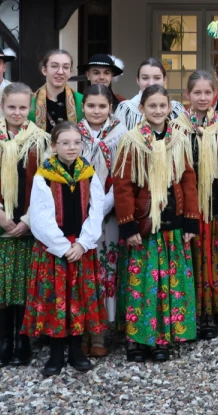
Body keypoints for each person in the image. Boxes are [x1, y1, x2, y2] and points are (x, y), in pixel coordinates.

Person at [0, 81, 51, 368]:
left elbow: (48, 184)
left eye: (22, 107)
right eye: (12, 107)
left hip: (29, 228)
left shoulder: (41, 140)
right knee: (1, 290)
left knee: (23, 288)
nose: (17, 112)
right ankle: (4, 342)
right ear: (2, 106)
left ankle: (23, 342)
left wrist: (27, 220)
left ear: (30, 108)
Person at [113, 84, 199, 361]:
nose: (158, 110)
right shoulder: (132, 140)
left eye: (163, 106)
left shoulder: (179, 139)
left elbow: (189, 181)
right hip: (145, 227)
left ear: (170, 108)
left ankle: (162, 338)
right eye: (152, 106)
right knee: (142, 284)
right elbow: (122, 186)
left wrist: (191, 222)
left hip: (173, 224)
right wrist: (128, 225)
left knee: (169, 284)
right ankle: (137, 340)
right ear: (142, 108)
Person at [23, 122, 109, 377]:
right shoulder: (44, 175)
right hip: (55, 250)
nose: (72, 147)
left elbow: (97, 209)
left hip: (81, 246)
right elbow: (40, 216)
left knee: (79, 298)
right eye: (65, 143)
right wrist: (62, 247)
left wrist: (83, 243)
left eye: (76, 143)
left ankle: (76, 350)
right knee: (56, 299)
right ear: (53, 146)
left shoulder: (88, 173)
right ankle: (56, 353)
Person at [172, 70, 218, 338]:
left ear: (213, 94)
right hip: (192, 202)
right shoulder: (177, 127)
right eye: (197, 93)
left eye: (207, 92)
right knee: (196, 255)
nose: (202, 97)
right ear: (187, 95)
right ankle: (200, 312)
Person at [77, 84, 125, 356]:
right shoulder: (73, 134)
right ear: (83, 106)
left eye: (102, 106)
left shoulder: (121, 135)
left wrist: (103, 206)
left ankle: (102, 331)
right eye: (91, 106)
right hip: (79, 215)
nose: (96, 111)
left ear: (111, 108)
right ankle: (83, 328)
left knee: (108, 269)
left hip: (109, 214)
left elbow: (124, 174)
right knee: (85, 270)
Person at [115, 57, 187, 131]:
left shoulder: (176, 110)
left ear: (165, 80)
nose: (151, 83)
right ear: (138, 80)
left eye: (157, 78)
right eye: (145, 78)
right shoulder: (125, 110)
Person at [29, 49, 83, 132]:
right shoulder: (30, 102)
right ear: (44, 70)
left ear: (70, 72)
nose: (60, 72)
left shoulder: (81, 101)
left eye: (65, 67)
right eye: (54, 66)